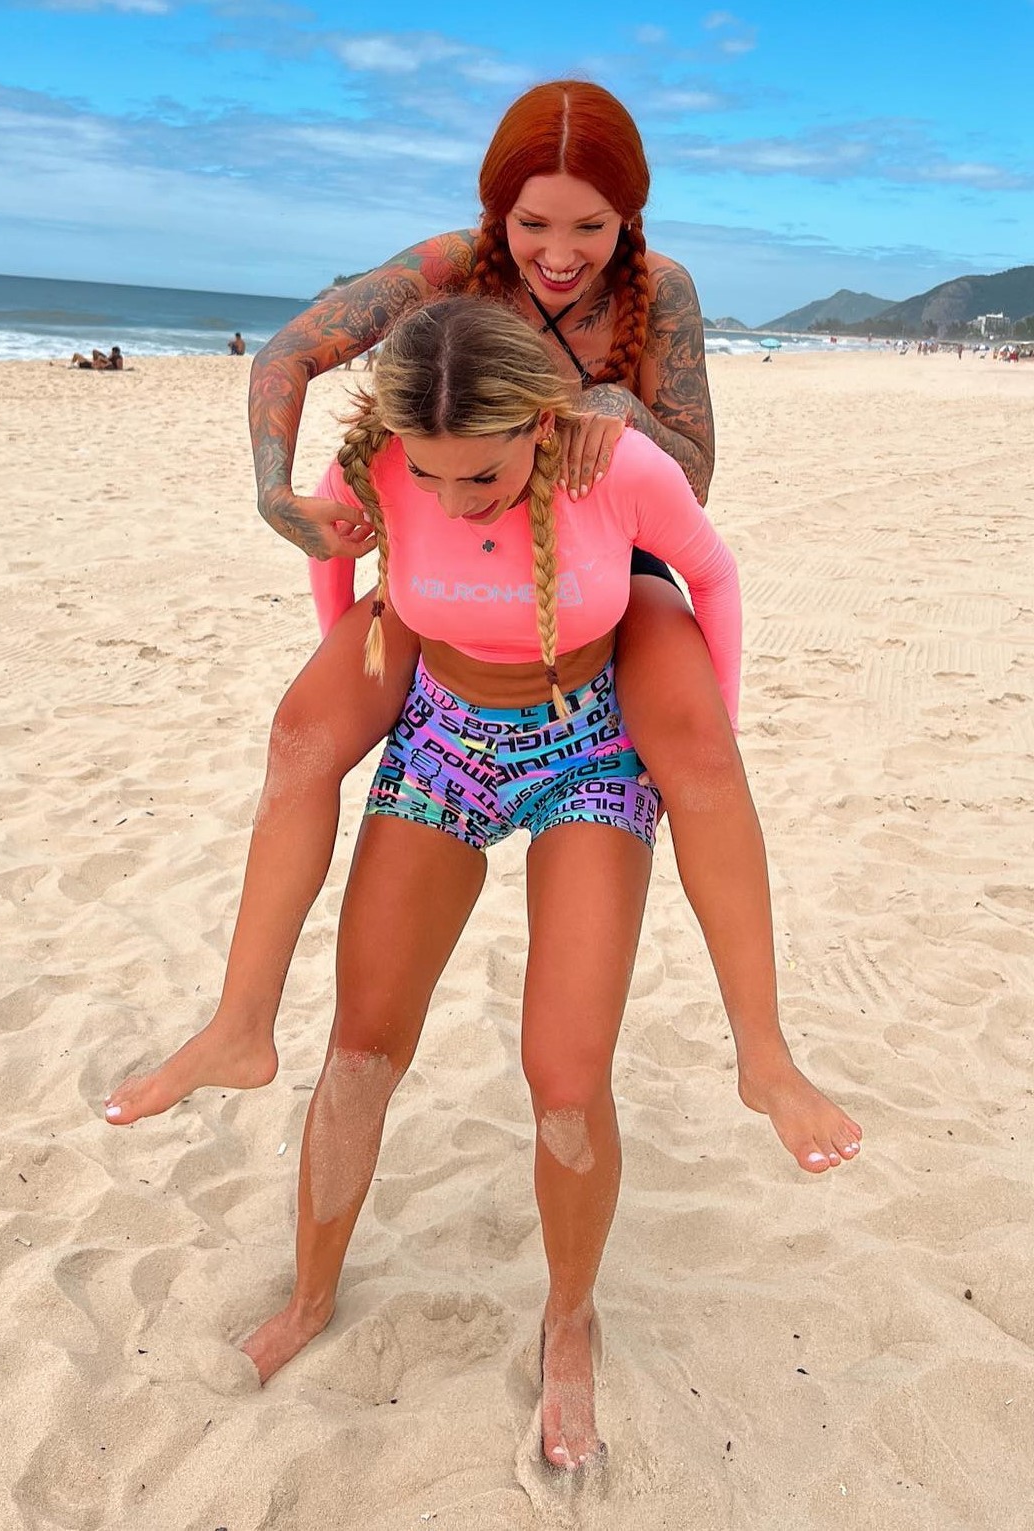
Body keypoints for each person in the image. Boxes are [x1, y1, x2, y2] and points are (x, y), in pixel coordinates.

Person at [105, 80, 860, 1185]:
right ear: (495, 210)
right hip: (452, 540)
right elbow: (285, 358)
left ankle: (767, 1055)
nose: (559, 254)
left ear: (631, 215)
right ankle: (238, 1022)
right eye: (532, 223)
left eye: (590, 227)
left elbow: (693, 476)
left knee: (701, 752)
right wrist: (277, 493)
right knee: (302, 732)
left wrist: (605, 412)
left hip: (606, 549)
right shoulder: (451, 268)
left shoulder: (662, 291)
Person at [232, 297, 860, 1471]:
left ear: (539, 422)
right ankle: (311, 1295)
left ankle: (570, 1322)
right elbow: (346, 569)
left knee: (565, 1076)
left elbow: (710, 574)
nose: (456, 498)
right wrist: (362, 657)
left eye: (483, 473)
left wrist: (708, 730)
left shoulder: (612, 466)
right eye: (433, 474)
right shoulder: (379, 464)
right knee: (361, 1046)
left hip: (592, 750)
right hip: (447, 740)